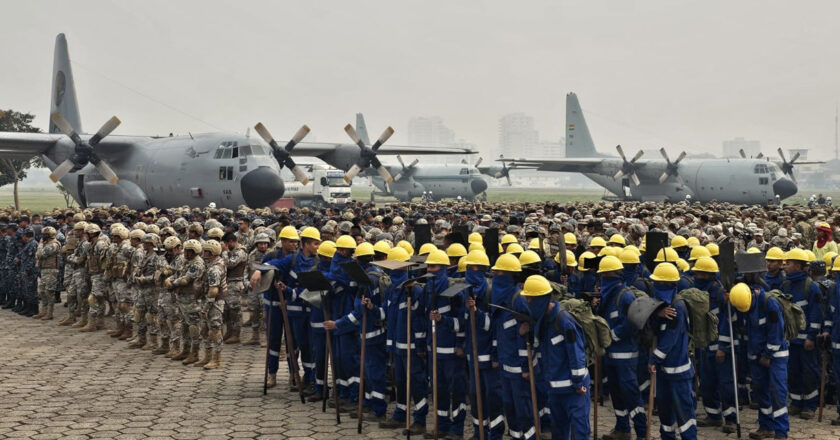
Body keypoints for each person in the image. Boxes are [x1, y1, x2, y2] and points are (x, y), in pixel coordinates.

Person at [522, 274, 590, 440]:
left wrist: (578, 382)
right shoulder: (541, 322)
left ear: (541, 299)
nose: (528, 303)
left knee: (580, 430)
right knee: (558, 430)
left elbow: (576, 353)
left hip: (574, 389)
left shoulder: (564, 321)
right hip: (554, 388)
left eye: (530, 300)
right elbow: (541, 352)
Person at [598, 255, 647, 440]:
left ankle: (642, 432)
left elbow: (633, 321)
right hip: (610, 354)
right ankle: (622, 428)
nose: (603, 278)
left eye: (606, 274)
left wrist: (613, 334)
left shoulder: (625, 295)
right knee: (616, 394)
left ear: (616, 274)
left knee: (631, 395)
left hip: (626, 355)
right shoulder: (607, 294)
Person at [648, 262, 697, 440]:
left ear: (670, 285)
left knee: (684, 414)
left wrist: (654, 358)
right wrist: (657, 314)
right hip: (663, 372)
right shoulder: (661, 306)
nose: (656, 287)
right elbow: (653, 328)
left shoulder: (678, 307)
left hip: (678, 372)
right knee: (665, 413)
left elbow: (670, 339)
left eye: (659, 284)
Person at [490, 254, 535, 440]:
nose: (495, 275)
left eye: (499, 272)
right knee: (510, 407)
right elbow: (498, 331)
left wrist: (525, 366)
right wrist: (495, 357)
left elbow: (526, 337)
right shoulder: (500, 298)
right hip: (505, 364)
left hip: (518, 368)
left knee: (523, 409)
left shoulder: (519, 299)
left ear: (509, 275)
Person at [462, 250, 505, 439]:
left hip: (488, 356)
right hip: (472, 354)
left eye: (475, 268)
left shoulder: (489, 292)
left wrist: (476, 312)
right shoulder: (466, 291)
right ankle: (479, 432)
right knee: (475, 395)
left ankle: (495, 433)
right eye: (468, 268)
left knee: (492, 397)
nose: (471, 271)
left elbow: (492, 325)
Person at [693, 257, 738, 433]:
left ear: (708, 275)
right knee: (707, 384)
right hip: (704, 346)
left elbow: (728, 322)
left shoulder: (721, 294)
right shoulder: (698, 293)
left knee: (726, 384)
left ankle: (731, 419)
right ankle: (713, 416)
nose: (696, 276)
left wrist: (723, 347)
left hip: (720, 348)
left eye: (698, 273)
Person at [781, 249, 822, 419]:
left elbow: (816, 313)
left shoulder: (811, 286)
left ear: (798, 266)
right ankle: (796, 402)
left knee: (809, 372)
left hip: (806, 341)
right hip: (791, 340)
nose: (785, 266)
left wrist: (811, 336)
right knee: (793, 371)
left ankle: (810, 405)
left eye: (788, 263)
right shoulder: (786, 285)